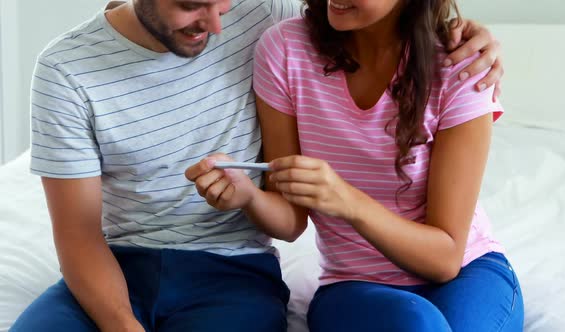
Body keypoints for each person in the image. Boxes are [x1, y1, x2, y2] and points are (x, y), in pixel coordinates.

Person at [11, 0, 505, 331]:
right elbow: (77, 236)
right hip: (119, 264)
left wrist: (467, 32)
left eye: (222, 3)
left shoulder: (268, 13)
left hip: (235, 271)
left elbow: (393, 22)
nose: (216, 24)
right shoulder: (66, 69)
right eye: (190, 3)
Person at [248, 0, 524, 331]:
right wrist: (246, 195)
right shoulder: (285, 50)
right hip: (355, 285)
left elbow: (446, 259)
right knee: (416, 324)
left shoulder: (461, 65)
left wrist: (348, 202)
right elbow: (290, 216)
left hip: (468, 272)